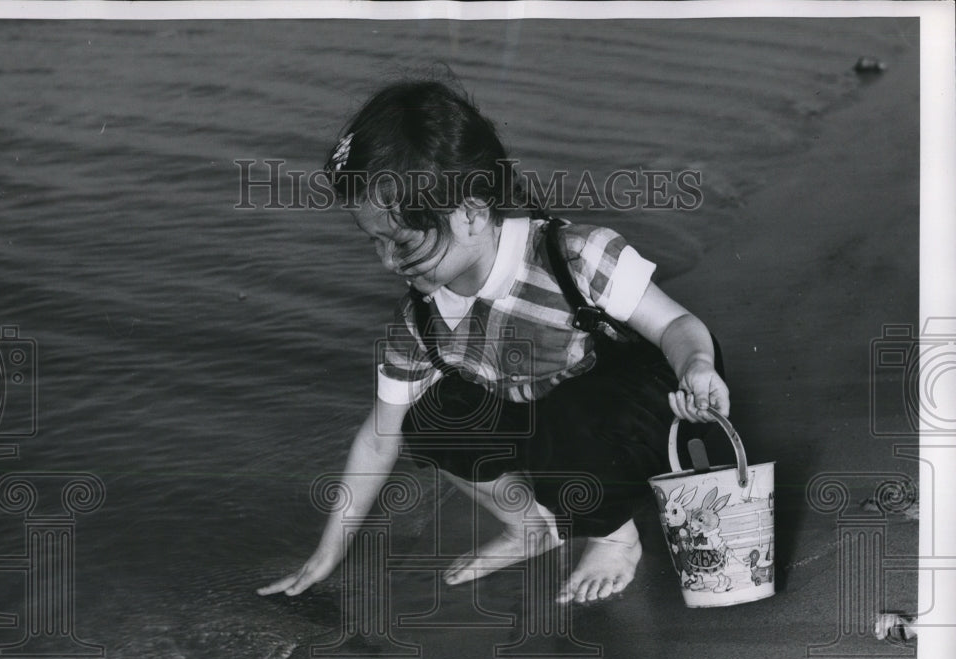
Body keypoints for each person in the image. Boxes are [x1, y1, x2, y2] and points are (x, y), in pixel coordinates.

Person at [258, 79, 730, 605]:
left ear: (473, 210)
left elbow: (678, 326)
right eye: (376, 242)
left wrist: (699, 366)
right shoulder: (421, 322)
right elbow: (378, 439)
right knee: (427, 418)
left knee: (569, 413)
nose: (388, 262)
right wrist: (328, 553)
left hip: (656, 411)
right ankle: (530, 526)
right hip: (553, 424)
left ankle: (615, 537)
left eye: (403, 241)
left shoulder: (572, 255)